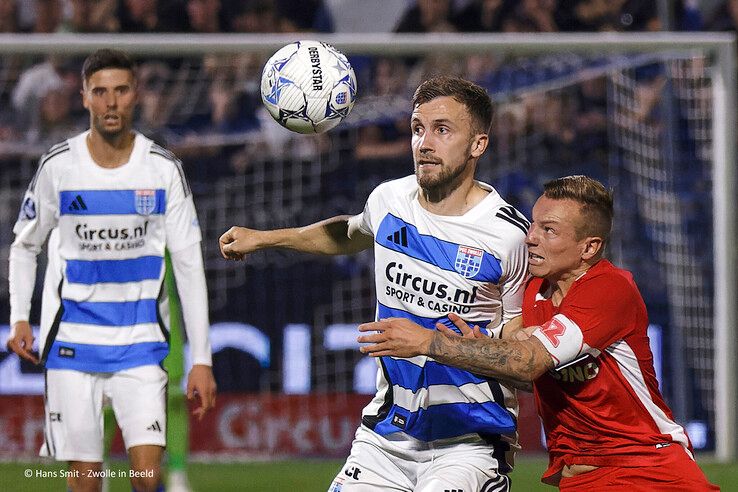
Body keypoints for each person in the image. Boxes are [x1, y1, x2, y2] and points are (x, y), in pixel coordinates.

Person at [220, 75, 529, 491]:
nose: (424, 143)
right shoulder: (389, 200)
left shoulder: (507, 236)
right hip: (386, 437)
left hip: (468, 441)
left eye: (442, 130)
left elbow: (524, 361)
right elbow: (348, 234)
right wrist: (266, 238)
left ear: (478, 144)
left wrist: (432, 343)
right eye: (418, 129)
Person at [358, 175, 719, 491]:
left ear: (589, 247)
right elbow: (535, 375)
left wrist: (428, 342)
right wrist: (482, 350)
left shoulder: (609, 289)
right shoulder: (533, 292)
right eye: (533, 225)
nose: (530, 239)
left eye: (549, 230)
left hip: (647, 470)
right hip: (580, 478)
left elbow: (528, 363)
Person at [7, 49, 216, 492]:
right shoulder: (58, 167)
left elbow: (189, 265)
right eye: (100, 92)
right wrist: (20, 317)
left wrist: (201, 359)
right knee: (85, 482)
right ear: (84, 97)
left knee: (146, 476)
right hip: (73, 342)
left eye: (120, 90)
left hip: (141, 341)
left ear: (135, 94)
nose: (111, 102)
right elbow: (24, 245)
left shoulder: (162, 169)